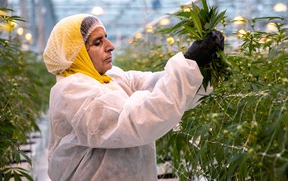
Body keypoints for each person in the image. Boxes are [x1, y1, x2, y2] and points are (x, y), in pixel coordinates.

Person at [43, 14, 224, 181]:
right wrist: (187, 65)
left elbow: (156, 85)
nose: (110, 46)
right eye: (98, 42)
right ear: (77, 54)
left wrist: (200, 67)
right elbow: (139, 120)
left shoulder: (110, 77)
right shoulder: (72, 91)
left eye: (106, 37)